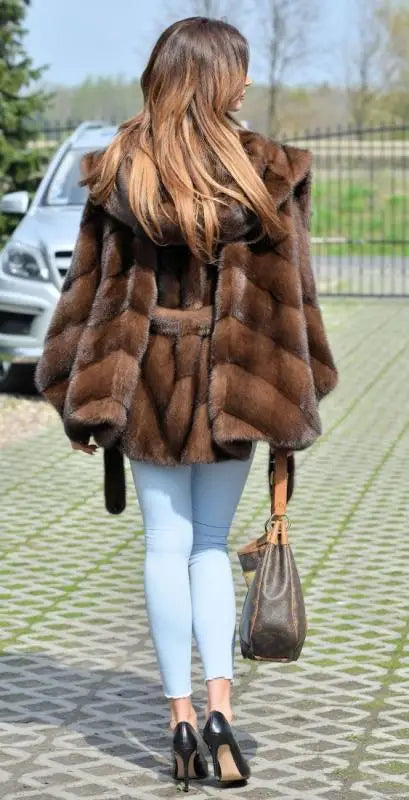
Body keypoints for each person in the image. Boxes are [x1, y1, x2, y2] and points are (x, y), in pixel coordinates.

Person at [35, 16, 338, 792]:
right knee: (210, 546)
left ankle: (175, 721)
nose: (248, 82)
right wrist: (300, 397)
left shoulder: (119, 172)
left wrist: (78, 397)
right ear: (215, 78)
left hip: (144, 384)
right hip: (238, 381)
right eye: (240, 68)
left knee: (163, 550)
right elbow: (291, 298)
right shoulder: (266, 172)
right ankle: (218, 714)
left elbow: (90, 292)